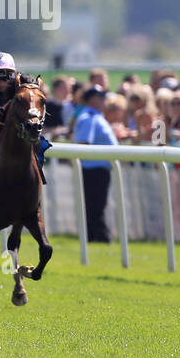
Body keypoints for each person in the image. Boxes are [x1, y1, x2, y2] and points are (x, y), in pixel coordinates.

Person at [74, 85, 118, 242]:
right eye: (102, 98)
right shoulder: (90, 117)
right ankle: (99, 237)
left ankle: (96, 237)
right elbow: (84, 142)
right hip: (94, 169)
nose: (105, 101)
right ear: (93, 99)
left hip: (96, 168)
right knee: (96, 206)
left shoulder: (94, 116)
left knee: (96, 205)